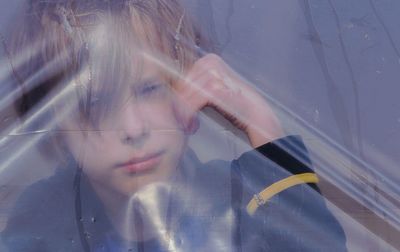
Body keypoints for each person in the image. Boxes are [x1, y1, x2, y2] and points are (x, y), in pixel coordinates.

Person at [1, 0, 347, 251]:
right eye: (96, 104)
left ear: (189, 83)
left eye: (150, 89)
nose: (134, 129)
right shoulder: (40, 223)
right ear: (54, 124)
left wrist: (263, 126)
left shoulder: (236, 196)